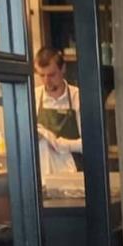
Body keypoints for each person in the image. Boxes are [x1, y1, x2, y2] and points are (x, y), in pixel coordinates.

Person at [34, 47, 83, 175]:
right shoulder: (33, 97)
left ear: (63, 69)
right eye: (42, 75)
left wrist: (59, 144)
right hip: (43, 175)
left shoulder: (78, 97)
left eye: (51, 75)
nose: (46, 81)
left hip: (75, 174)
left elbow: (90, 143)